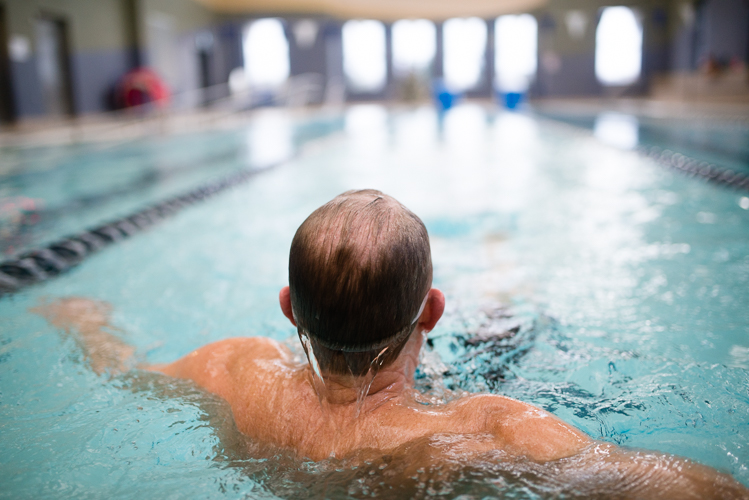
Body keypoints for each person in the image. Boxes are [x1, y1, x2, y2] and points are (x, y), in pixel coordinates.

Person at [36, 189, 748, 498]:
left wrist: (83, 321)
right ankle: (503, 265)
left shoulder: (232, 367)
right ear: (432, 310)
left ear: (288, 309)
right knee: (510, 323)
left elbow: (118, 368)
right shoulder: (481, 428)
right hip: (428, 403)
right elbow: (675, 487)